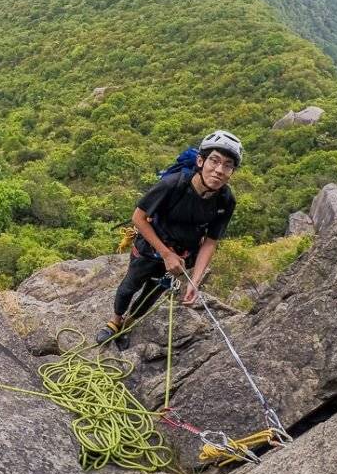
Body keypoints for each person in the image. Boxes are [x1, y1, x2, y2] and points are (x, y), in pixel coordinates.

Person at [96, 130, 241, 350]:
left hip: (182, 258)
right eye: (214, 160)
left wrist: (195, 280)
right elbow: (139, 217)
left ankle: (129, 325)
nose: (219, 170)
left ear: (232, 171)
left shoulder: (225, 200)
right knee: (129, 286)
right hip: (150, 249)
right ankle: (116, 321)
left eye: (228, 165)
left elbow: (211, 241)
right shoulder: (173, 185)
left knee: (152, 293)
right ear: (201, 161)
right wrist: (165, 253)